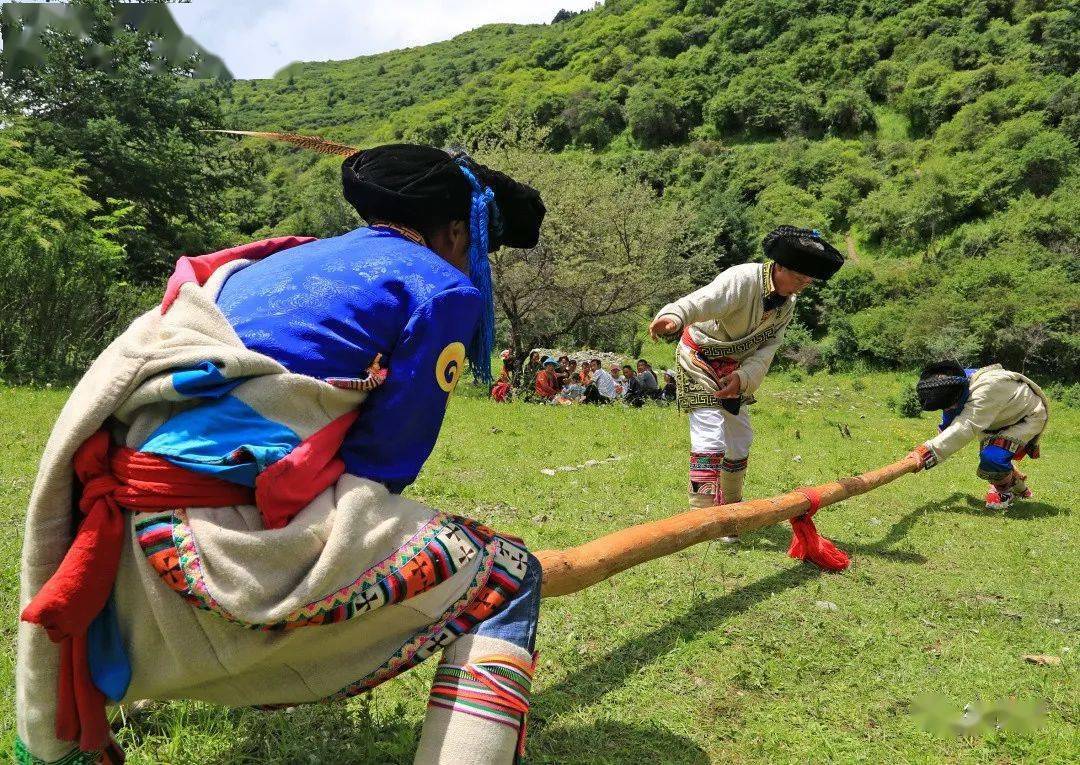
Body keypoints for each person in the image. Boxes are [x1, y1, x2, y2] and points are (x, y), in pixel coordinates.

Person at [17, 141, 547, 765]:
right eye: (478, 248)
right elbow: (384, 462)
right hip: (224, 554)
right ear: (459, 230)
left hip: (121, 555)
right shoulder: (442, 289)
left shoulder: (267, 260)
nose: (474, 263)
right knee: (509, 576)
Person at [649, 226, 843, 514]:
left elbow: (768, 348)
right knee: (710, 436)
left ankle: (731, 510)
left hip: (735, 369)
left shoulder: (787, 304)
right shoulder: (741, 279)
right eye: (799, 278)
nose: (803, 286)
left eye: (808, 282)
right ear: (779, 267)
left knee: (739, 440)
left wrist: (742, 378)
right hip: (699, 357)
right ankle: (701, 517)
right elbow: (701, 300)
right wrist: (673, 316)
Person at [907, 360, 1049, 510]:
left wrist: (924, 454)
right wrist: (939, 438)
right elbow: (950, 418)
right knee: (996, 459)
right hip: (996, 418)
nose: (950, 408)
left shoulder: (988, 388)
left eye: (950, 405)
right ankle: (1021, 489)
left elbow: (964, 427)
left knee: (993, 457)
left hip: (1025, 417)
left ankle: (1004, 492)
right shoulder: (953, 383)